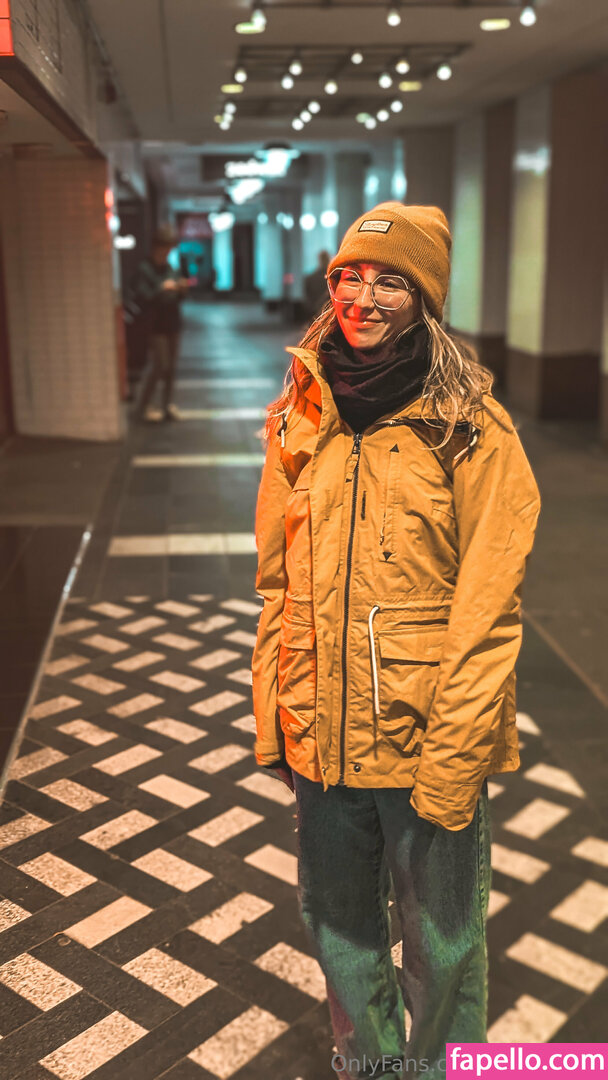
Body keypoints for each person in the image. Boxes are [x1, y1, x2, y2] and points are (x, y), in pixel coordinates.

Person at [251, 202, 542, 1080]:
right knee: (339, 928)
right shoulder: (301, 412)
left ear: (425, 299)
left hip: (423, 738)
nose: (362, 296)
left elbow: (488, 611)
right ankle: (371, 1067)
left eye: (390, 280)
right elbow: (277, 583)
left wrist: (455, 756)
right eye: (349, 275)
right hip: (322, 736)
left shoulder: (470, 427)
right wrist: (277, 712)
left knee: (443, 945)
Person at [127, 224, 189, 421]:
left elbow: (178, 296)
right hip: (155, 324)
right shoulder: (145, 269)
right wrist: (161, 289)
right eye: (164, 247)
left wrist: (180, 289)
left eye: (169, 248)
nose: (166, 252)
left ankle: (166, 405)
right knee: (160, 365)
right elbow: (143, 296)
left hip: (172, 321)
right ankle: (142, 407)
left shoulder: (170, 268)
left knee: (171, 367)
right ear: (156, 247)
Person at [303, 248, 332, 321]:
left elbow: (308, 298)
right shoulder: (333, 277)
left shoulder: (310, 278)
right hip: (329, 311)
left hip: (315, 312)